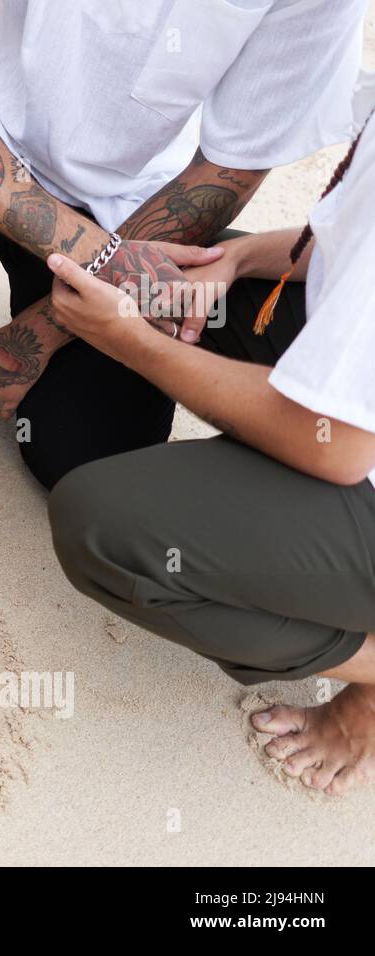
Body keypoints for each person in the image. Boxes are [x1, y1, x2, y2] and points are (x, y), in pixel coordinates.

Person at [0, 1, 366, 489]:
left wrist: (40, 331)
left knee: (87, 459)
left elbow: (227, 170)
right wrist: (98, 262)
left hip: (123, 205)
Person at [46, 113, 375, 795]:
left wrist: (134, 342)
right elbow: (353, 242)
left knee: (105, 525)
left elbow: (339, 445)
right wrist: (244, 259)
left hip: (355, 453)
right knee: (173, 276)